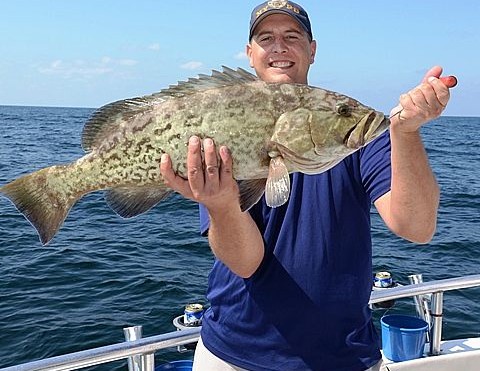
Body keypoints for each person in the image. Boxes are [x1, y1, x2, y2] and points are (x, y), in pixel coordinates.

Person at [160, 1, 453, 370]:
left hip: (344, 358)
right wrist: (221, 204)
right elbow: (246, 264)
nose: (279, 47)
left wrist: (406, 133)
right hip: (232, 355)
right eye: (266, 38)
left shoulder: (358, 134)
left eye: (292, 37)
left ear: (312, 50)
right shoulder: (218, 130)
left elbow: (416, 226)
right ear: (250, 54)